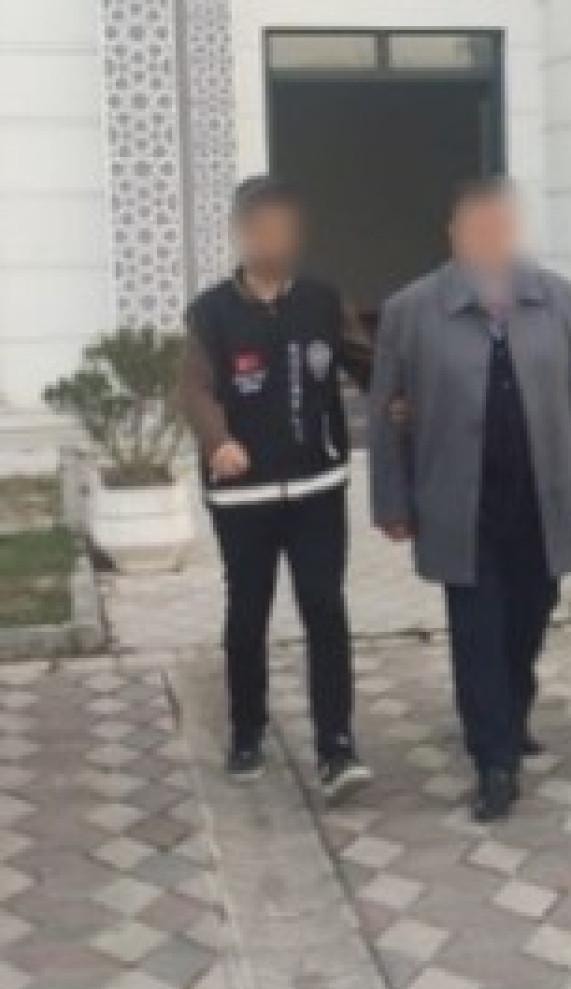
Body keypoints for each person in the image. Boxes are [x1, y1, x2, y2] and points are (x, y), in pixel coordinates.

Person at [371, 177, 571, 822]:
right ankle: (493, 760)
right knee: (476, 628)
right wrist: (392, 500)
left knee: (529, 616)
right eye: (476, 226)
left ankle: (511, 711)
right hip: (461, 500)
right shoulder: (411, 310)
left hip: (544, 494)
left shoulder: (569, 305)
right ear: (453, 234)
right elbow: (385, 414)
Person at [179, 175, 374, 803]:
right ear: (241, 234)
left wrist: (406, 402)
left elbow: (367, 364)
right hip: (244, 497)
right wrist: (218, 442)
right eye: (262, 228)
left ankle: (336, 747)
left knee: (325, 609)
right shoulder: (210, 312)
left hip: (318, 486)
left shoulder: (322, 300)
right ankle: (247, 729)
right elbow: (196, 389)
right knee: (248, 612)